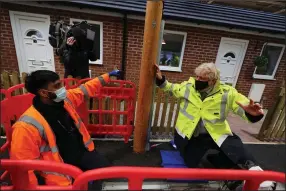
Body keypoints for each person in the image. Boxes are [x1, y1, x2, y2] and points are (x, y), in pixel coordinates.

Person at [155, 63, 276, 190]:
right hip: (193, 136)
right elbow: (171, 88)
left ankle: (255, 170)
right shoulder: (188, 87)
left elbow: (242, 104)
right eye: (197, 76)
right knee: (190, 162)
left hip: (216, 133)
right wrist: (160, 79)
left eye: (202, 78)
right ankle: (215, 159)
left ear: (213, 81)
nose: (198, 80)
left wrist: (251, 112)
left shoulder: (227, 92)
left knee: (235, 146)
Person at [10, 69, 120, 189]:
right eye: (57, 86)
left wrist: (107, 76)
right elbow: (23, 168)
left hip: (81, 152)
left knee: (106, 171)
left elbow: (85, 89)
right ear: (43, 93)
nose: (63, 88)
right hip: (60, 169)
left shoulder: (64, 100)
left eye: (61, 83)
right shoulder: (26, 126)